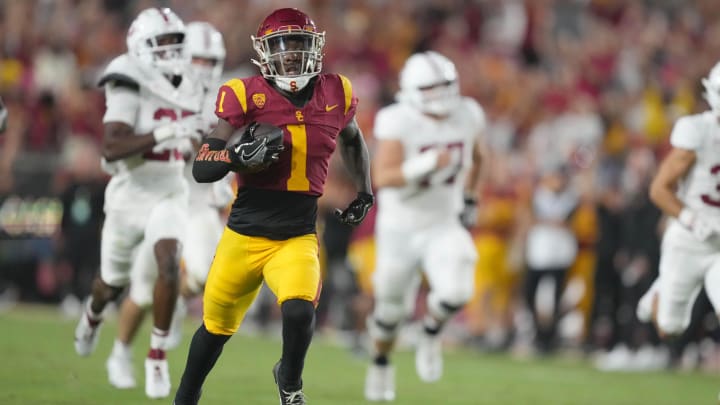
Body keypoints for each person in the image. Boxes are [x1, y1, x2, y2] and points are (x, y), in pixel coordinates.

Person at [172, 8, 374, 405]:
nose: (292, 56)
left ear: (315, 48)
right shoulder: (244, 93)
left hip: (296, 234)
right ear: (264, 53)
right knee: (214, 331)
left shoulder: (337, 91)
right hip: (243, 234)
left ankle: (290, 381)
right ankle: (186, 396)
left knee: (300, 313)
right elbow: (202, 166)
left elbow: (352, 139)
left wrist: (364, 191)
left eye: (299, 45)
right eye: (282, 47)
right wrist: (236, 156)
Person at [72, 7, 205, 400]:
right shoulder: (127, 76)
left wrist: (197, 139)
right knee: (110, 284)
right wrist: (166, 131)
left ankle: (157, 356)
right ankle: (93, 316)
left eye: (175, 43)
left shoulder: (191, 82)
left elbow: (195, 143)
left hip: (169, 190)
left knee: (168, 262)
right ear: (140, 46)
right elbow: (113, 146)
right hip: (130, 194)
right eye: (161, 43)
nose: (170, 51)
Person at [103, 21, 232, 391]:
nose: (204, 69)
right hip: (162, 196)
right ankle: (121, 351)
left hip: (199, 202)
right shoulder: (155, 91)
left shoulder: (226, 98)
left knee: (205, 276)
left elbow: (225, 151)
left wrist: (225, 181)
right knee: (144, 290)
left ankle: (173, 306)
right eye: (199, 60)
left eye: (212, 61)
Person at [364, 50, 485, 402]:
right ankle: (381, 362)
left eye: (445, 85)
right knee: (390, 311)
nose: (440, 95)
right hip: (399, 228)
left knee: (458, 289)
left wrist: (472, 199)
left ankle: (430, 331)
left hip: (442, 221)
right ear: (413, 90)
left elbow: (480, 159)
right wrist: (425, 164)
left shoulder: (468, 113)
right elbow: (383, 177)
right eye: (431, 88)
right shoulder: (396, 119)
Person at [636, 62, 720, 346]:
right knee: (670, 328)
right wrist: (694, 220)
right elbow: (659, 189)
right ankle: (657, 293)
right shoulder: (698, 132)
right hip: (689, 239)